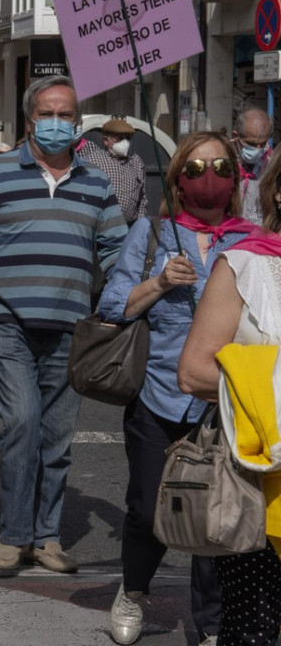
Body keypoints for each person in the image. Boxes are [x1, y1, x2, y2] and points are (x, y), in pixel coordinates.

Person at [0, 75, 128, 573]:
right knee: (22, 421)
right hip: (7, 320)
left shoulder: (96, 182)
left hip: (71, 325)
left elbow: (116, 251)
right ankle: (14, 535)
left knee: (57, 436)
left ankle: (46, 537)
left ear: (78, 122)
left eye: (65, 115)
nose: (56, 123)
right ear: (30, 121)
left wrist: (132, 297)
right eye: (46, 114)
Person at [98, 131, 250, 645]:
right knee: (147, 508)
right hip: (158, 395)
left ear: (236, 180)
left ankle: (212, 626)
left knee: (216, 516)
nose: (210, 177)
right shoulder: (152, 232)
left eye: (221, 168)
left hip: (225, 400)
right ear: (178, 179)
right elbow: (113, 306)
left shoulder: (252, 240)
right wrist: (160, 282)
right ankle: (133, 590)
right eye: (197, 167)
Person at [177, 144, 281, 646]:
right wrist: (270, 385)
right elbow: (193, 371)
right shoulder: (243, 266)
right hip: (256, 486)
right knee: (254, 628)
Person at [78, 118, 148, 226]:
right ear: (106, 141)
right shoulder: (92, 161)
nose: (125, 142)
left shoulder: (136, 162)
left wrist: (139, 225)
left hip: (130, 227)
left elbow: (143, 197)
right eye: (119, 138)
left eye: (127, 138)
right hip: (100, 228)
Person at [230, 107, 272, 225]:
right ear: (235, 136)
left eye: (262, 144)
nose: (258, 150)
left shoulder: (270, 166)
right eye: (252, 144)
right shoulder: (221, 162)